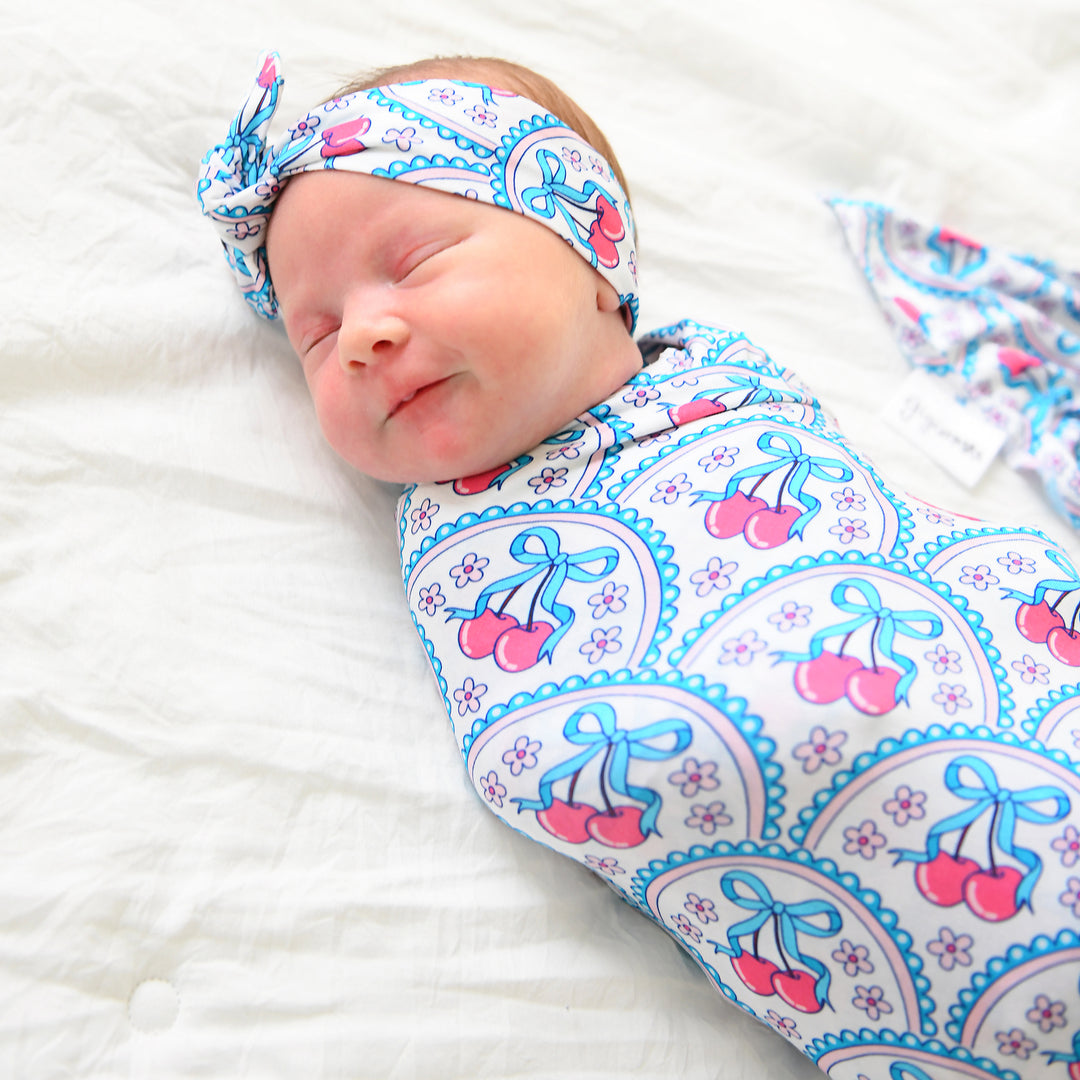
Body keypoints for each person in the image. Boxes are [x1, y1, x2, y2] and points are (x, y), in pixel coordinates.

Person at [198, 52, 1080, 1080]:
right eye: (315, 335)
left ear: (592, 245)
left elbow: (878, 534)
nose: (363, 334)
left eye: (417, 263)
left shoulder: (727, 385)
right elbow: (540, 754)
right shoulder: (462, 551)